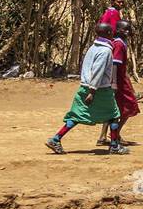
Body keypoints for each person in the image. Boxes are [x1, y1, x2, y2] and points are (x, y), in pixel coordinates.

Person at [46, 22, 126, 154]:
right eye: (111, 32)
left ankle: (56, 139)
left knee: (76, 115)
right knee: (113, 115)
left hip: (84, 87)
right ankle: (114, 146)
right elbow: (97, 71)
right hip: (99, 90)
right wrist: (92, 91)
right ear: (108, 34)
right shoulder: (105, 50)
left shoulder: (93, 47)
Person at [99, 19, 141, 146]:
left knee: (115, 108)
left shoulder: (120, 42)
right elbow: (115, 64)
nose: (128, 32)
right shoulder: (118, 44)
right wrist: (114, 82)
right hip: (119, 81)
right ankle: (115, 134)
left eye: (129, 29)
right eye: (125, 29)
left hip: (121, 79)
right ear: (117, 30)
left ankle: (105, 136)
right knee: (129, 106)